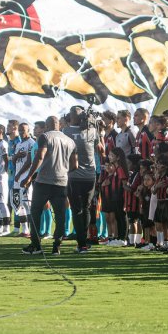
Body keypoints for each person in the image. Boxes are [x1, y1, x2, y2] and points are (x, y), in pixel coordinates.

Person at [22, 116, 75, 255]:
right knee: (60, 215)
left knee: (35, 212)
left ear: (47, 125)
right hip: (61, 182)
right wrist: (63, 170)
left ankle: (36, 245)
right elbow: (75, 165)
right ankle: (57, 246)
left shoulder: (45, 137)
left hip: (44, 181)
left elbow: (39, 157)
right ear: (59, 125)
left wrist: (29, 176)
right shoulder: (70, 141)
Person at [64, 107, 102, 253]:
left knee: (76, 209)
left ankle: (81, 244)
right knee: (85, 208)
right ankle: (84, 241)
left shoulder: (66, 132)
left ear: (71, 117)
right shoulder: (92, 131)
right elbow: (100, 148)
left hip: (73, 176)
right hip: (90, 176)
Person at [10, 123, 37, 237]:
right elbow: (14, 160)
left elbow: (30, 161)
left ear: (28, 130)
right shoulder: (19, 144)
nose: (21, 132)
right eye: (20, 130)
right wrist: (16, 156)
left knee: (27, 204)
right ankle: (24, 230)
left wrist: (20, 174)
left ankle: (32, 231)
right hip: (17, 177)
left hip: (26, 177)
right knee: (18, 204)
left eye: (23, 130)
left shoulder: (32, 143)